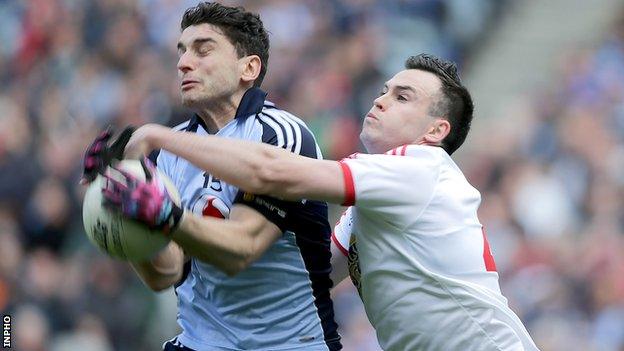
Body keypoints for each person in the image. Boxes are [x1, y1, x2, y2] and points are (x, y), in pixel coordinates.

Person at [115, 53, 541, 350]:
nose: (380, 100)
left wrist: (161, 138)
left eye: (402, 97)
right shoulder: (371, 205)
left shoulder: (422, 166)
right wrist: (169, 229)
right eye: (385, 91)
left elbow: (274, 170)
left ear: (436, 131)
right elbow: (308, 280)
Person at [81, 2, 341, 351]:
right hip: (198, 343)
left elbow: (241, 248)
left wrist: (165, 215)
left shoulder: (281, 135)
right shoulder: (163, 156)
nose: (183, 62)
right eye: (182, 51)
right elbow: (165, 273)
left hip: (289, 344)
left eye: (203, 50)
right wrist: (128, 218)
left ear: (248, 67)